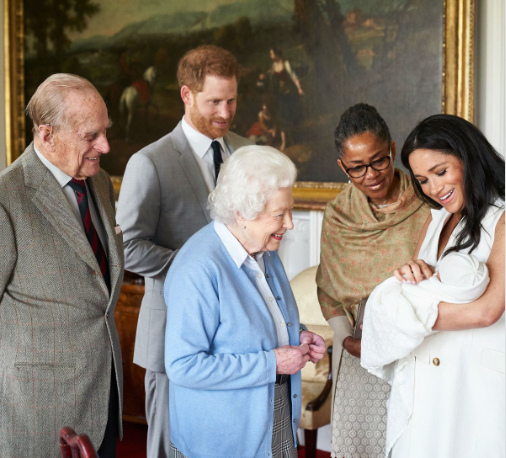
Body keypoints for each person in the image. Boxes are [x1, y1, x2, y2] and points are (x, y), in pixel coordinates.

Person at [115, 45, 252, 458]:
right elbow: (128, 248)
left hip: (237, 338)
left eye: (231, 100)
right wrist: (202, 266)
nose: (225, 113)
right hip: (173, 333)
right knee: (168, 448)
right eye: (214, 102)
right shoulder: (150, 162)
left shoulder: (247, 153)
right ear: (186, 95)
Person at [164, 145, 326, 458]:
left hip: (272, 415)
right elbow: (184, 366)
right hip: (222, 439)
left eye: (290, 210)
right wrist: (272, 363)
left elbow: (255, 322)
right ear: (241, 213)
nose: (290, 223)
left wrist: (297, 334)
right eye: (280, 214)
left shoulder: (264, 249)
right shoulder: (198, 269)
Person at [0, 74, 124, 458]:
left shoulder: (100, 183)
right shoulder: (7, 197)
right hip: (39, 410)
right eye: (91, 136)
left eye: (105, 131)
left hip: (105, 393)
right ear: (47, 134)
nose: (104, 145)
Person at [316, 103, 430, 458]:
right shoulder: (338, 216)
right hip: (361, 348)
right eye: (357, 168)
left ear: (393, 150)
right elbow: (329, 290)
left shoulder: (429, 202)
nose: (372, 175)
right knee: (362, 444)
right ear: (342, 167)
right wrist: (346, 339)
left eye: (379, 160)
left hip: (422, 342)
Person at [387, 114, 505, 458]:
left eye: (441, 172)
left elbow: (487, 311)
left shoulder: (501, 218)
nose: (434, 189)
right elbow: (421, 286)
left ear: (469, 157)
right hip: (425, 377)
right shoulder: (435, 219)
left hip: (475, 383)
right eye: (422, 180)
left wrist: (401, 316)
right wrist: (412, 273)